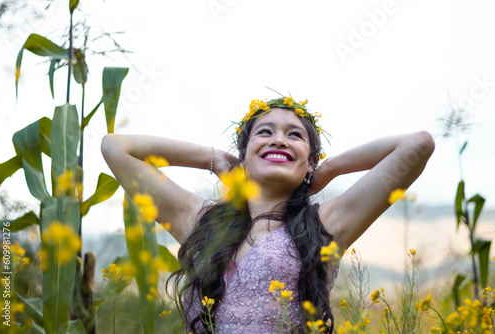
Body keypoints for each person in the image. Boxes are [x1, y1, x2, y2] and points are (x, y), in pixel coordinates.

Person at [101, 96, 435, 333]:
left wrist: (328, 169)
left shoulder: (326, 224)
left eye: (295, 135)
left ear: (311, 159)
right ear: (244, 154)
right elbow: (115, 147)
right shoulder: (199, 219)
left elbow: (417, 145)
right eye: (265, 132)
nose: (279, 140)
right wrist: (215, 159)